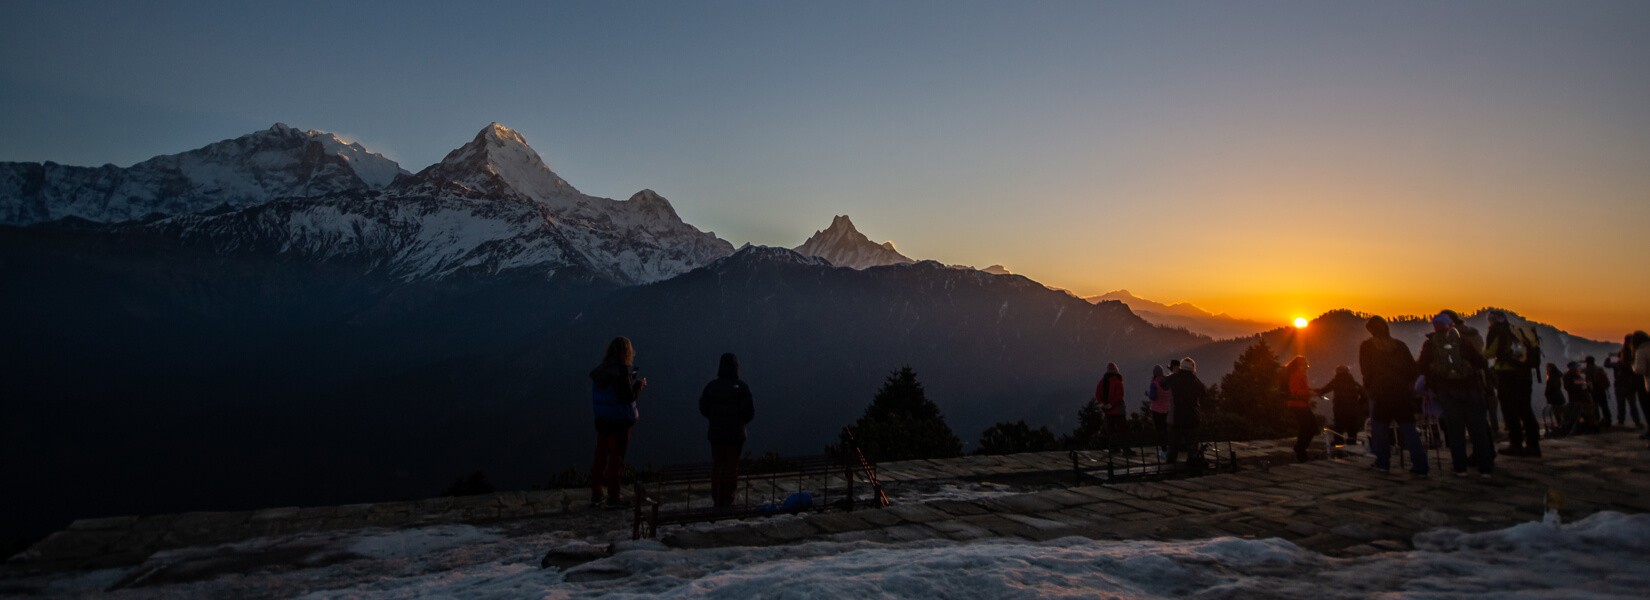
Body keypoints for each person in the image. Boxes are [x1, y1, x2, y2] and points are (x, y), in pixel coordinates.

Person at [1417, 311, 1494, 478]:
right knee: (1478, 430)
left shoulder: (1430, 344)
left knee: (1455, 430)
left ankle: (1460, 468)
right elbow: (1482, 362)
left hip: (1447, 392)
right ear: (1450, 325)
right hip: (1472, 389)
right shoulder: (1462, 341)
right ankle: (1485, 468)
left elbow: (1421, 367)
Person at [1359, 316, 1426, 476]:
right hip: (1401, 393)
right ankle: (1421, 465)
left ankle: (1383, 463)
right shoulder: (1400, 345)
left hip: (1380, 393)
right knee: (1409, 429)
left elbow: (1365, 371)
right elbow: (1412, 369)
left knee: (1380, 429)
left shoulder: (1367, 346)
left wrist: (1369, 388)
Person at [589, 336, 647, 508]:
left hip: (602, 421)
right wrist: (638, 386)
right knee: (616, 458)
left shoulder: (600, 371)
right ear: (626, 352)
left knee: (600, 456)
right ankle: (614, 497)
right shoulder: (620, 372)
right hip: (620, 422)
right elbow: (627, 397)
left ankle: (597, 492)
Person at [699, 352, 755, 508]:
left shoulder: (711, 387)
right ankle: (728, 500)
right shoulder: (742, 388)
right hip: (735, 436)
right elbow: (749, 413)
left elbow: (703, 407)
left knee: (717, 465)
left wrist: (714, 417)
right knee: (731, 467)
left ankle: (716, 499)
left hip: (716, 434)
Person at [1484, 311, 1540, 456]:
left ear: (1492, 320)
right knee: (1525, 408)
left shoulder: (1496, 331)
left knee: (1509, 408)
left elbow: (1490, 353)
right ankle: (1533, 445)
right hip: (1525, 373)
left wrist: (1474, 355)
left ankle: (1516, 444)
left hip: (1507, 374)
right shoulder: (1515, 331)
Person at [1161, 357, 1206, 466]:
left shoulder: (1174, 378)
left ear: (1181, 367)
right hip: (1192, 419)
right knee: (1192, 449)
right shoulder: (1195, 381)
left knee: (1173, 448)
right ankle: (1192, 468)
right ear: (1193, 368)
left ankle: (1170, 470)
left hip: (1176, 419)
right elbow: (1204, 392)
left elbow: (1162, 383)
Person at [1319, 365, 1367, 447]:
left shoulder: (1336, 382)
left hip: (1339, 409)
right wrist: (1358, 404)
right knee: (1352, 427)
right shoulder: (1353, 383)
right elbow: (1364, 395)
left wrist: (1317, 393)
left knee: (1339, 426)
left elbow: (1324, 390)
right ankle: (1352, 442)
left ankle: (1338, 443)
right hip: (1352, 408)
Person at [1283, 356, 1317, 462]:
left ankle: (1300, 449)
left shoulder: (1301, 375)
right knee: (1308, 427)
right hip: (1297, 405)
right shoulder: (1295, 376)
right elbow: (1295, 392)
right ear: (1298, 366)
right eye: (1303, 365)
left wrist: (1312, 391)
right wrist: (1309, 393)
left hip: (1302, 405)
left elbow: (1302, 390)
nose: (1305, 367)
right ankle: (1300, 449)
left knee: (1309, 427)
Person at [1606, 339, 1644, 429]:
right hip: (1630, 387)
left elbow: (1606, 364)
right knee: (1633, 406)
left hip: (1619, 388)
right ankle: (1637, 422)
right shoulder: (1632, 364)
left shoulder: (1617, 365)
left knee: (1621, 405)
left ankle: (1621, 420)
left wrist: (1609, 357)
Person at [1096, 363, 1129, 454]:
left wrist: (1103, 404)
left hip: (1108, 412)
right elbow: (1119, 396)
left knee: (1110, 431)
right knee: (1122, 431)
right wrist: (1112, 404)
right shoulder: (1118, 382)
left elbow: (1097, 394)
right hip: (1118, 411)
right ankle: (1125, 449)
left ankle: (1113, 449)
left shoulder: (1102, 382)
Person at [1564, 361, 1599, 433]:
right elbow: (1569, 387)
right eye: (1577, 367)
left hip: (1585, 398)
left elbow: (1584, 385)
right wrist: (1581, 386)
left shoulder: (1578, 376)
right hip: (1577, 399)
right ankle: (1582, 428)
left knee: (1587, 414)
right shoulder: (1568, 376)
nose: (1579, 369)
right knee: (1579, 415)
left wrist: (1588, 386)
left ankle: (1589, 427)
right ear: (1572, 368)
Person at [1146, 365, 1172, 457]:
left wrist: (1148, 394)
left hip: (1156, 411)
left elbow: (1153, 396)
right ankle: (1170, 449)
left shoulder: (1154, 383)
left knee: (1160, 431)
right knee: (1166, 430)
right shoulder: (1167, 382)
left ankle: (1163, 451)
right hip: (1167, 409)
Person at [1543, 363, 1571, 437]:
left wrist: (1548, 393)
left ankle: (1562, 427)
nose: (1546, 369)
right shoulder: (1555, 376)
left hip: (1556, 398)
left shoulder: (1553, 377)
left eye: (1547, 368)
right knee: (1559, 413)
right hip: (1557, 397)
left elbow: (1552, 387)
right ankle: (1562, 426)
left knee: (1558, 413)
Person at [1584, 356, 1612, 427]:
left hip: (1594, 390)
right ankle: (1608, 420)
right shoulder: (1599, 368)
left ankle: (1597, 420)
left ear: (1587, 362)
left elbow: (1588, 381)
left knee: (1595, 406)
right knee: (1604, 406)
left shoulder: (1588, 369)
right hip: (1601, 389)